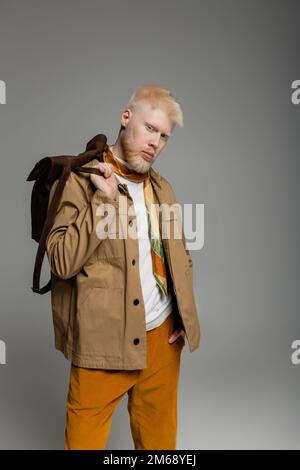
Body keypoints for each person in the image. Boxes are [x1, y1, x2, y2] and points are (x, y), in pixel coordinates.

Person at [46, 84, 201, 450]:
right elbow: (62, 261)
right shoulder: (81, 181)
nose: (155, 143)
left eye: (164, 136)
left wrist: (180, 316)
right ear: (126, 117)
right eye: (150, 128)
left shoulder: (162, 189)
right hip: (102, 344)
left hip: (161, 344)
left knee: (160, 450)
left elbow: (179, 256)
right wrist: (105, 202)